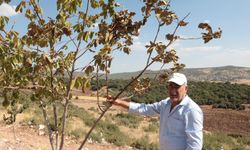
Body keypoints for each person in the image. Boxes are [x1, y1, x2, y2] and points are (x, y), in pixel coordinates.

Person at [109, 73, 203, 150]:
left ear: (186, 89)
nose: (173, 91)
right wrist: (119, 102)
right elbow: (144, 109)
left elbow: (195, 145)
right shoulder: (165, 104)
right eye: (171, 86)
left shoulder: (192, 110)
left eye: (177, 87)